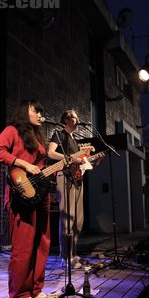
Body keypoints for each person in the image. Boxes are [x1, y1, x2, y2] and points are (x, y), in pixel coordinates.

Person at [0, 99, 53, 298]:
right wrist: (23, 163)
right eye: (35, 110)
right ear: (23, 110)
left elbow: (42, 169)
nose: (39, 114)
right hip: (21, 193)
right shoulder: (11, 131)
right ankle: (19, 293)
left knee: (42, 243)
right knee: (24, 244)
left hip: (42, 194)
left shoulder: (38, 138)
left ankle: (36, 289)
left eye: (40, 111)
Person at [47, 110, 102, 269]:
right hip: (65, 177)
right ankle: (65, 256)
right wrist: (70, 158)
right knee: (67, 219)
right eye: (74, 117)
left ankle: (73, 253)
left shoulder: (75, 140)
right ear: (65, 119)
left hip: (78, 180)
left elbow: (84, 165)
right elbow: (50, 153)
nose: (77, 119)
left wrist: (96, 159)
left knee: (78, 220)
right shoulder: (59, 134)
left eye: (78, 117)